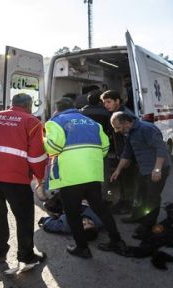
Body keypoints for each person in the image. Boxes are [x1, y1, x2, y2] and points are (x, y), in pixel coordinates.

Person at [44, 97, 127, 259]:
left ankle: (82, 248)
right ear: (74, 107)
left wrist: (43, 140)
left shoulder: (55, 121)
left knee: (73, 214)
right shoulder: (92, 123)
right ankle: (117, 241)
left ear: (57, 109)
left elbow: (53, 147)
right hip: (93, 173)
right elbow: (104, 147)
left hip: (71, 176)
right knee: (101, 209)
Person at [0, 93, 48, 271]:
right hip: (15, 177)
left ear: (11, 104)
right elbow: (36, 157)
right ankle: (26, 256)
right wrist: (40, 177)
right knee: (24, 217)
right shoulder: (31, 122)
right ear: (29, 106)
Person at [109, 111, 171, 238]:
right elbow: (127, 153)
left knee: (152, 198)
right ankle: (136, 216)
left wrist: (157, 169)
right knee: (140, 194)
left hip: (157, 169)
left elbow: (161, 149)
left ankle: (148, 225)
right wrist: (118, 170)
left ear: (126, 123)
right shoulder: (129, 133)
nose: (116, 131)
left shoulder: (146, 129)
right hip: (144, 169)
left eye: (117, 127)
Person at [101, 90, 137, 216]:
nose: (106, 105)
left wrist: (127, 158)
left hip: (128, 156)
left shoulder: (125, 115)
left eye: (109, 102)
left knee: (128, 180)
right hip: (121, 153)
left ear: (117, 101)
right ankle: (123, 202)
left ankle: (129, 205)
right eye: (104, 102)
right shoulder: (114, 114)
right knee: (122, 179)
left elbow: (130, 140)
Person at [38, 200, 103, 240]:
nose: (86, 220)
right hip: (87, 198)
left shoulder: (68, 226)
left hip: (66, 202)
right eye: (90, 223)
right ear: (95, 225)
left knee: (50, 204)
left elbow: (48, 224)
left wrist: (54, 217)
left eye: (84, 224)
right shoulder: (100, 221)